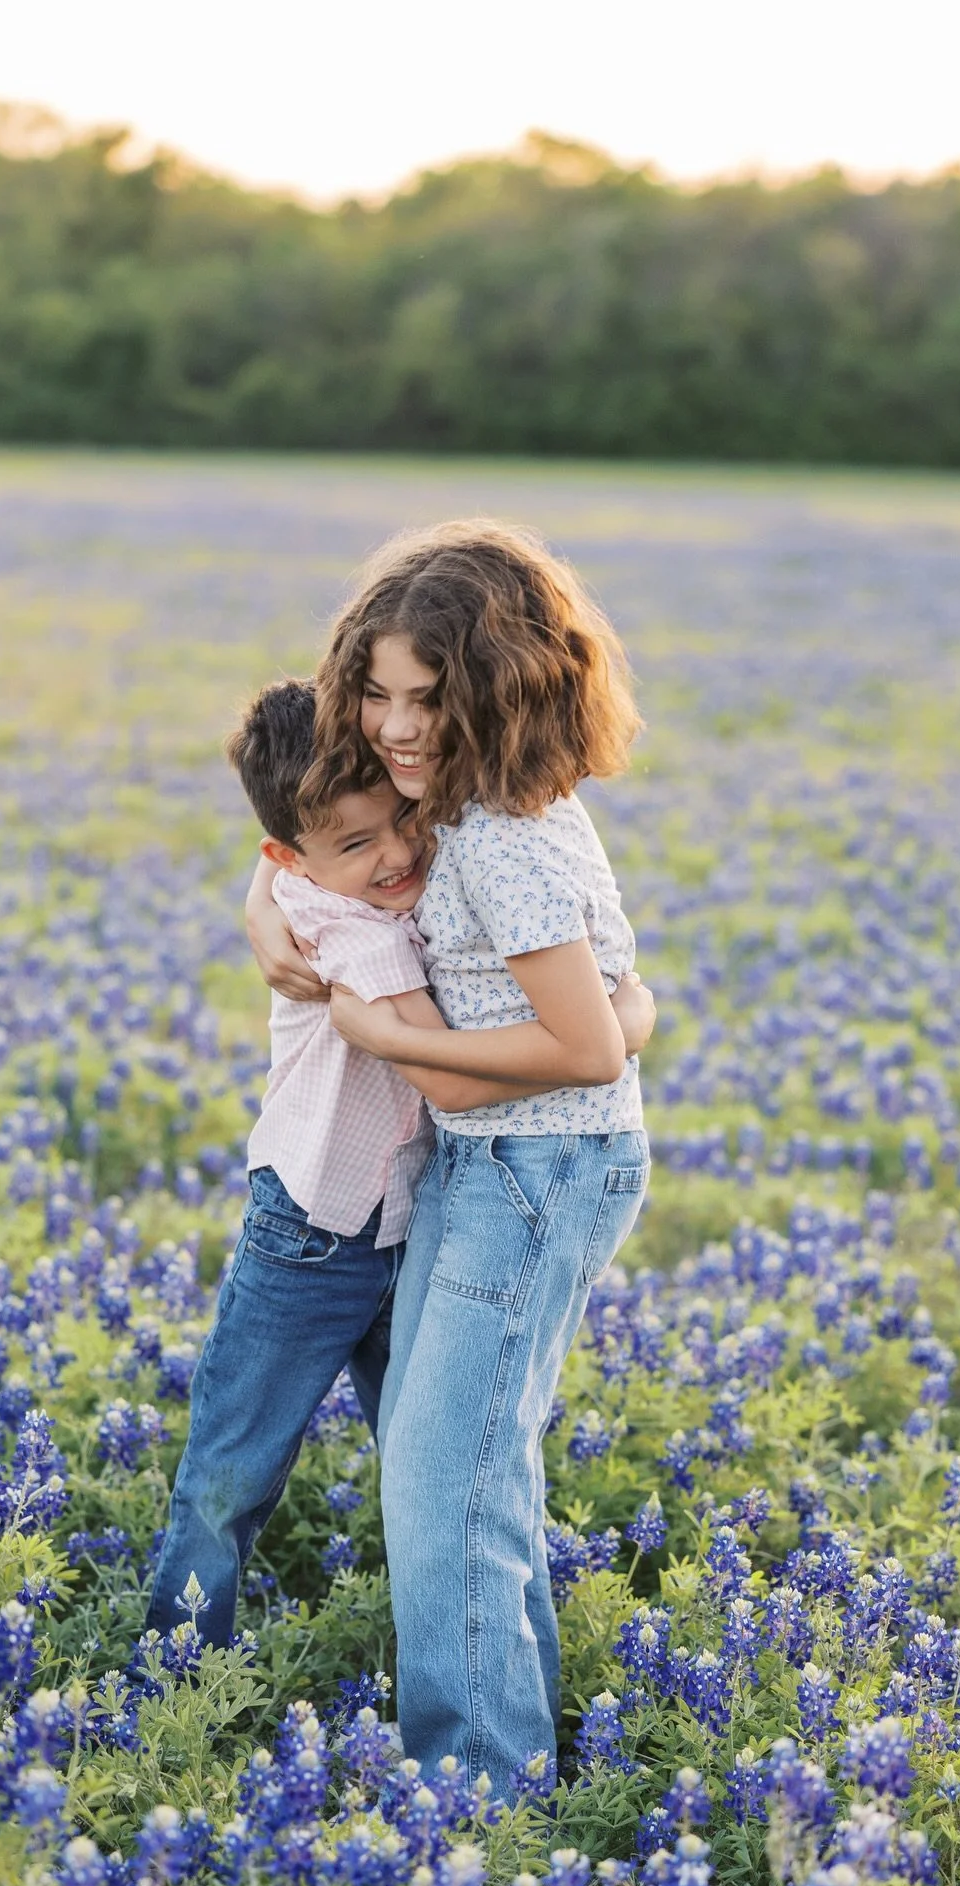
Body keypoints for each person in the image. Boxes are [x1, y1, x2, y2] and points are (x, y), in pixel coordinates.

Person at [246, 523, 652, 1793]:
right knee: (459, 1468)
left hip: (536, 1173)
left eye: (431, 696)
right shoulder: (469, 810)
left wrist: (379, 1031)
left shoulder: (499, 838)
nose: (397, 725)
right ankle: (507, 1758)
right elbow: (314, 850)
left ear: (501, 688)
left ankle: (479, 1795)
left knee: (443, 1486)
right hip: (492, 1167)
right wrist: (263, 903)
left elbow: (587, 1045)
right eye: (376, 691)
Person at [148, 676, 652, 1648]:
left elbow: (318, 828)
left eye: (403, 821)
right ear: (291, 856)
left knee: (433, 1464)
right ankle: (174, 1658)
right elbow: (454, 1080)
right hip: (312, 1235)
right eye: (353, 843)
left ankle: (447, 1644)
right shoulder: (354, 938)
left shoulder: (367, 881)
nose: (393, 854)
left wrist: (624, 1016)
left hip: (412, 1219)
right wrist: (621, 1021)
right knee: (234, 1465)